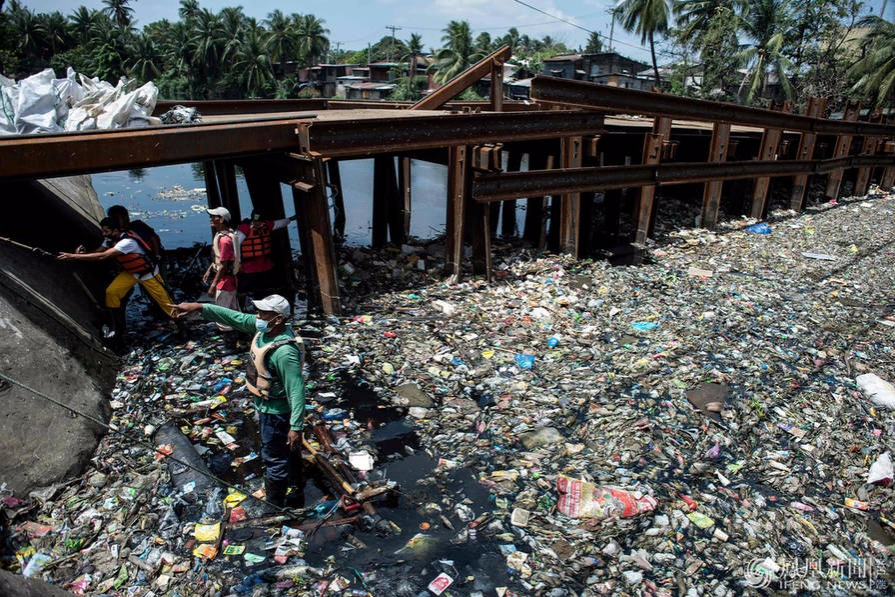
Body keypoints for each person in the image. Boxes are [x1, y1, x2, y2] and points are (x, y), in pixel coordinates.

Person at [169, 295, 306, 507]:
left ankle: (276, 506)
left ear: (278, 319)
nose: (257, 317)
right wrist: (200, 307)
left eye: (263, 313)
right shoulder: (264, 330)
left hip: (277, 412)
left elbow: (296, 389)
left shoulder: (284, 352)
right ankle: (297, 486)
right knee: (287, 449)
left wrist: (296, 426)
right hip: (266, 406)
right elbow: (235, 317)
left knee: (274, 457)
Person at [57, 217, 184, 346]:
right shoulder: (110, 240)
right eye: (103, 231)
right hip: (131, 273)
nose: (104, 234)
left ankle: (183, 329)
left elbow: (103, 256)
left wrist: (73, 257)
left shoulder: (127, 242)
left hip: (148, 275)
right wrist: (82, 254)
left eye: (106, 231)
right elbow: (98, 252)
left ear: (116, 230)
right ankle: (117, 328)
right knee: (112, 292)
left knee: (166, 303)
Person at [236, 210, 295, 308]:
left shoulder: (267, 226)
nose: (257, 223)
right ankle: (241, 307)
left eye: (260, 221)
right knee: (243, 288)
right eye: (256, 221)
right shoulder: (245, 229)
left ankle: (261, 307)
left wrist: (291, 219)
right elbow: (235, 245)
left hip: (264, 264)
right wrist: (236, 262)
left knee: (261, 288)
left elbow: (280, 223)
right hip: (248, 266)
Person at [203, 207, 240, 328]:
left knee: (222, 312)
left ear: (222, 219)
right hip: (229, 280)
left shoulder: (224, 240)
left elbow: (224, 265)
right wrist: (209, 270)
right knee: (232, 309)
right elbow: (218, 257)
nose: (211, 219)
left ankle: (228, 337)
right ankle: (236, 332)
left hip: (225, 282)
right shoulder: (226, 234)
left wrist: (213, 286)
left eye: (214, 217)